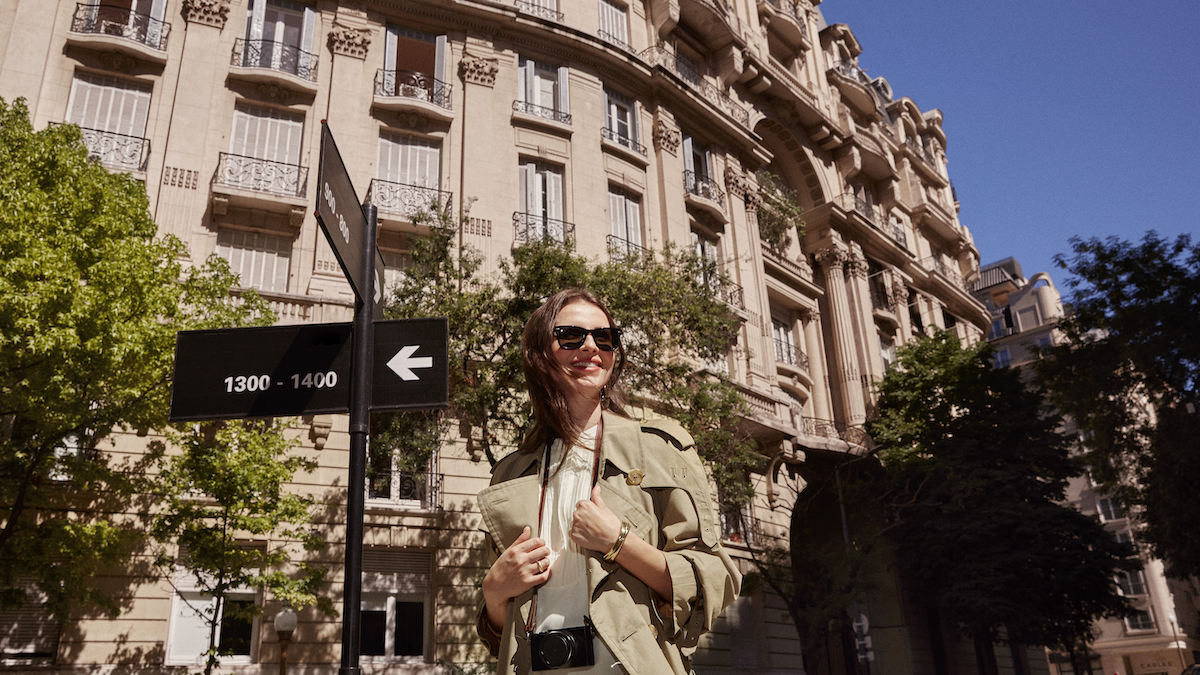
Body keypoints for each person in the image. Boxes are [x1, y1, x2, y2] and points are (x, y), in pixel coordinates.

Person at [476, 288, 741, 675]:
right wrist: (495, 592)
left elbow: (714, 580)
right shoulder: (511, 472)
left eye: (605, 338)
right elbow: (499, 637)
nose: (590, 347)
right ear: (538, 353)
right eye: (571, 335)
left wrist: (619, 543)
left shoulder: (658, 448)